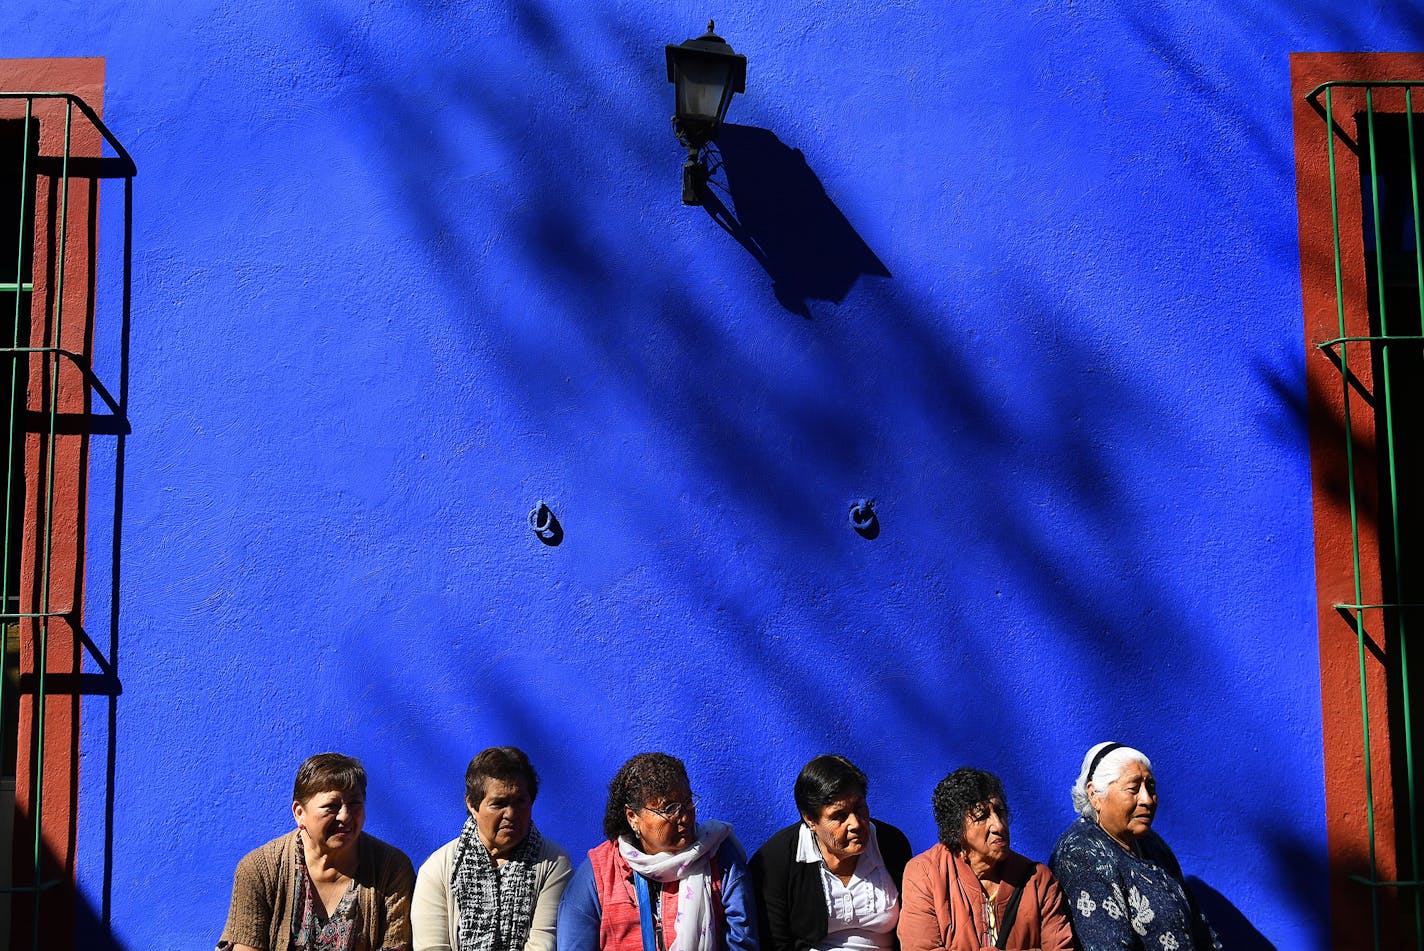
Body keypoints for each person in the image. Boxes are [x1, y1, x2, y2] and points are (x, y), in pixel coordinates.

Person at [556, 752, 756, 951]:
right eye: (669, 808)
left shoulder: (719, 857)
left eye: (687, 803)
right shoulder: (598, 875)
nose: (684, 817)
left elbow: (742, 943)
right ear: (633, 817)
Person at [218, 752, 416, 951]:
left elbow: (396, 945)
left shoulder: (391, 869)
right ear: (299, 813)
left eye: (355, 804)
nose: (345, 816)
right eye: (332, 806)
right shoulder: (260, 869)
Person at [1049, 743, 1220, 950]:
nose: (1147, 800)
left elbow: (1198, 926)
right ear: (1095, 796)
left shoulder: (1152, 844)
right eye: (1133, 789)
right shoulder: (1080, 853)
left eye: (1151, 787)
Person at [413, 746, 574, 951]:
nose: (511, 814)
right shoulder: (438, 869)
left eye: (520, 802)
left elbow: (544, 942)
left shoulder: (553, 862)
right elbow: (431, 946)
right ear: (472, 805)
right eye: (499, 804)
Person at [897, 767, 1074, 951]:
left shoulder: (1037, 881)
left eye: (1000, 811)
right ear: (956, 829)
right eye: (982, 817)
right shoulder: (926, 874)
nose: (998, 825)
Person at [750, 754, 912, 951]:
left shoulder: (891, 845)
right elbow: (774, 943)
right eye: (839, 816)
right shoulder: (776, 860)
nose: (855, 823)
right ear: (810, 819)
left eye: (859, 807)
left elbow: (914, 927)